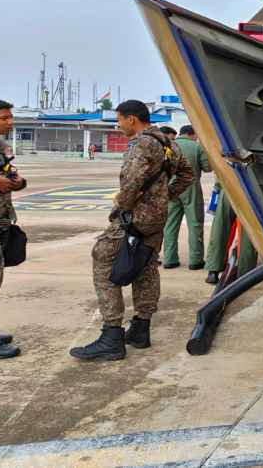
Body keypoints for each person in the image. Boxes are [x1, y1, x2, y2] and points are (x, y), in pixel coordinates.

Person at [70, 100, 193, 361]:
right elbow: (187, 173)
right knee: (145, 266)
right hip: (157, 218)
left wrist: (122, 205)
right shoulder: (167, 142)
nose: (119, 125)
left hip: (134, 218)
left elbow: (130, 180)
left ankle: (111, 335)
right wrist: (165, 196)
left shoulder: (141, 143)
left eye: (120, 120)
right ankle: (140, 328)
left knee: (103, 260)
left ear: (132, 119)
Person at [0, 99, 26, 360]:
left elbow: (7, 176)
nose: (10, 123)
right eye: (4, 118)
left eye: (11, 117)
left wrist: (18, 182)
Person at [162, 125, 211, 270]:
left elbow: (163, 166)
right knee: (195, 224)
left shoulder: (169, 146)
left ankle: (170, 259)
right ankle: (195, 260)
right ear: (192, 134)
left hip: (171, 188)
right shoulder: (197, 147)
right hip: (191, 187)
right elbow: (208, 168)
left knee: (170, 225)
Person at [203, 182, 257, 284]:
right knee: (248, 234)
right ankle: (245, 274)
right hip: (249, 190)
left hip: (227, 187)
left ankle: (213, 271)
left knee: (220, 228)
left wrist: (218, 187)